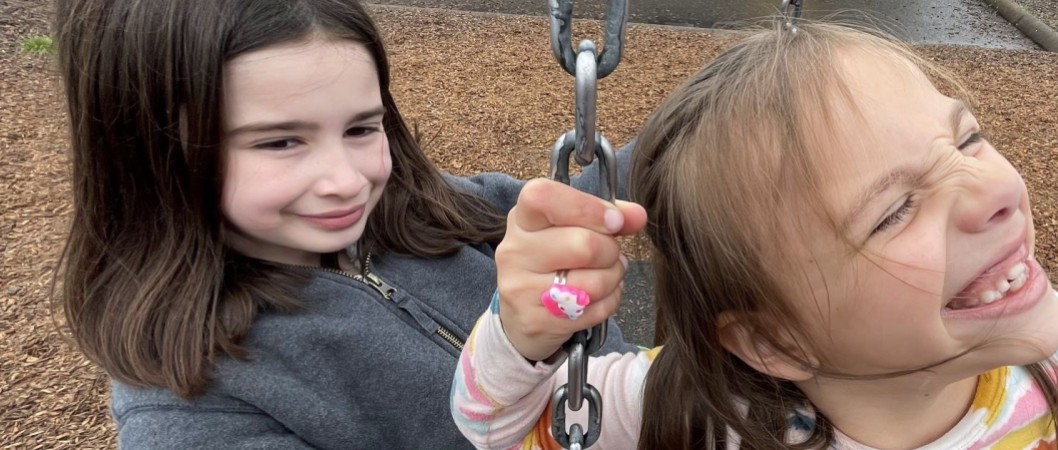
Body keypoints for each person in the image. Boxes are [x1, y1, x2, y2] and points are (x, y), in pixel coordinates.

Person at [452, 22, 1058, 449]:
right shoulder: (707, 416)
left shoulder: (1022, 376)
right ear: (774, 337)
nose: (991, 190)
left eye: (968, 138)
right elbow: (502, 431)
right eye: (893, 209)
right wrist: (528, 333)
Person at [51, 0, 644, 447]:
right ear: (148, 153)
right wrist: (510, 348)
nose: (346, 179)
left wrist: (710, 128)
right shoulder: (190, 405)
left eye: (362, 128)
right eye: (281, 141)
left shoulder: (437, 212)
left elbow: (591, 200)